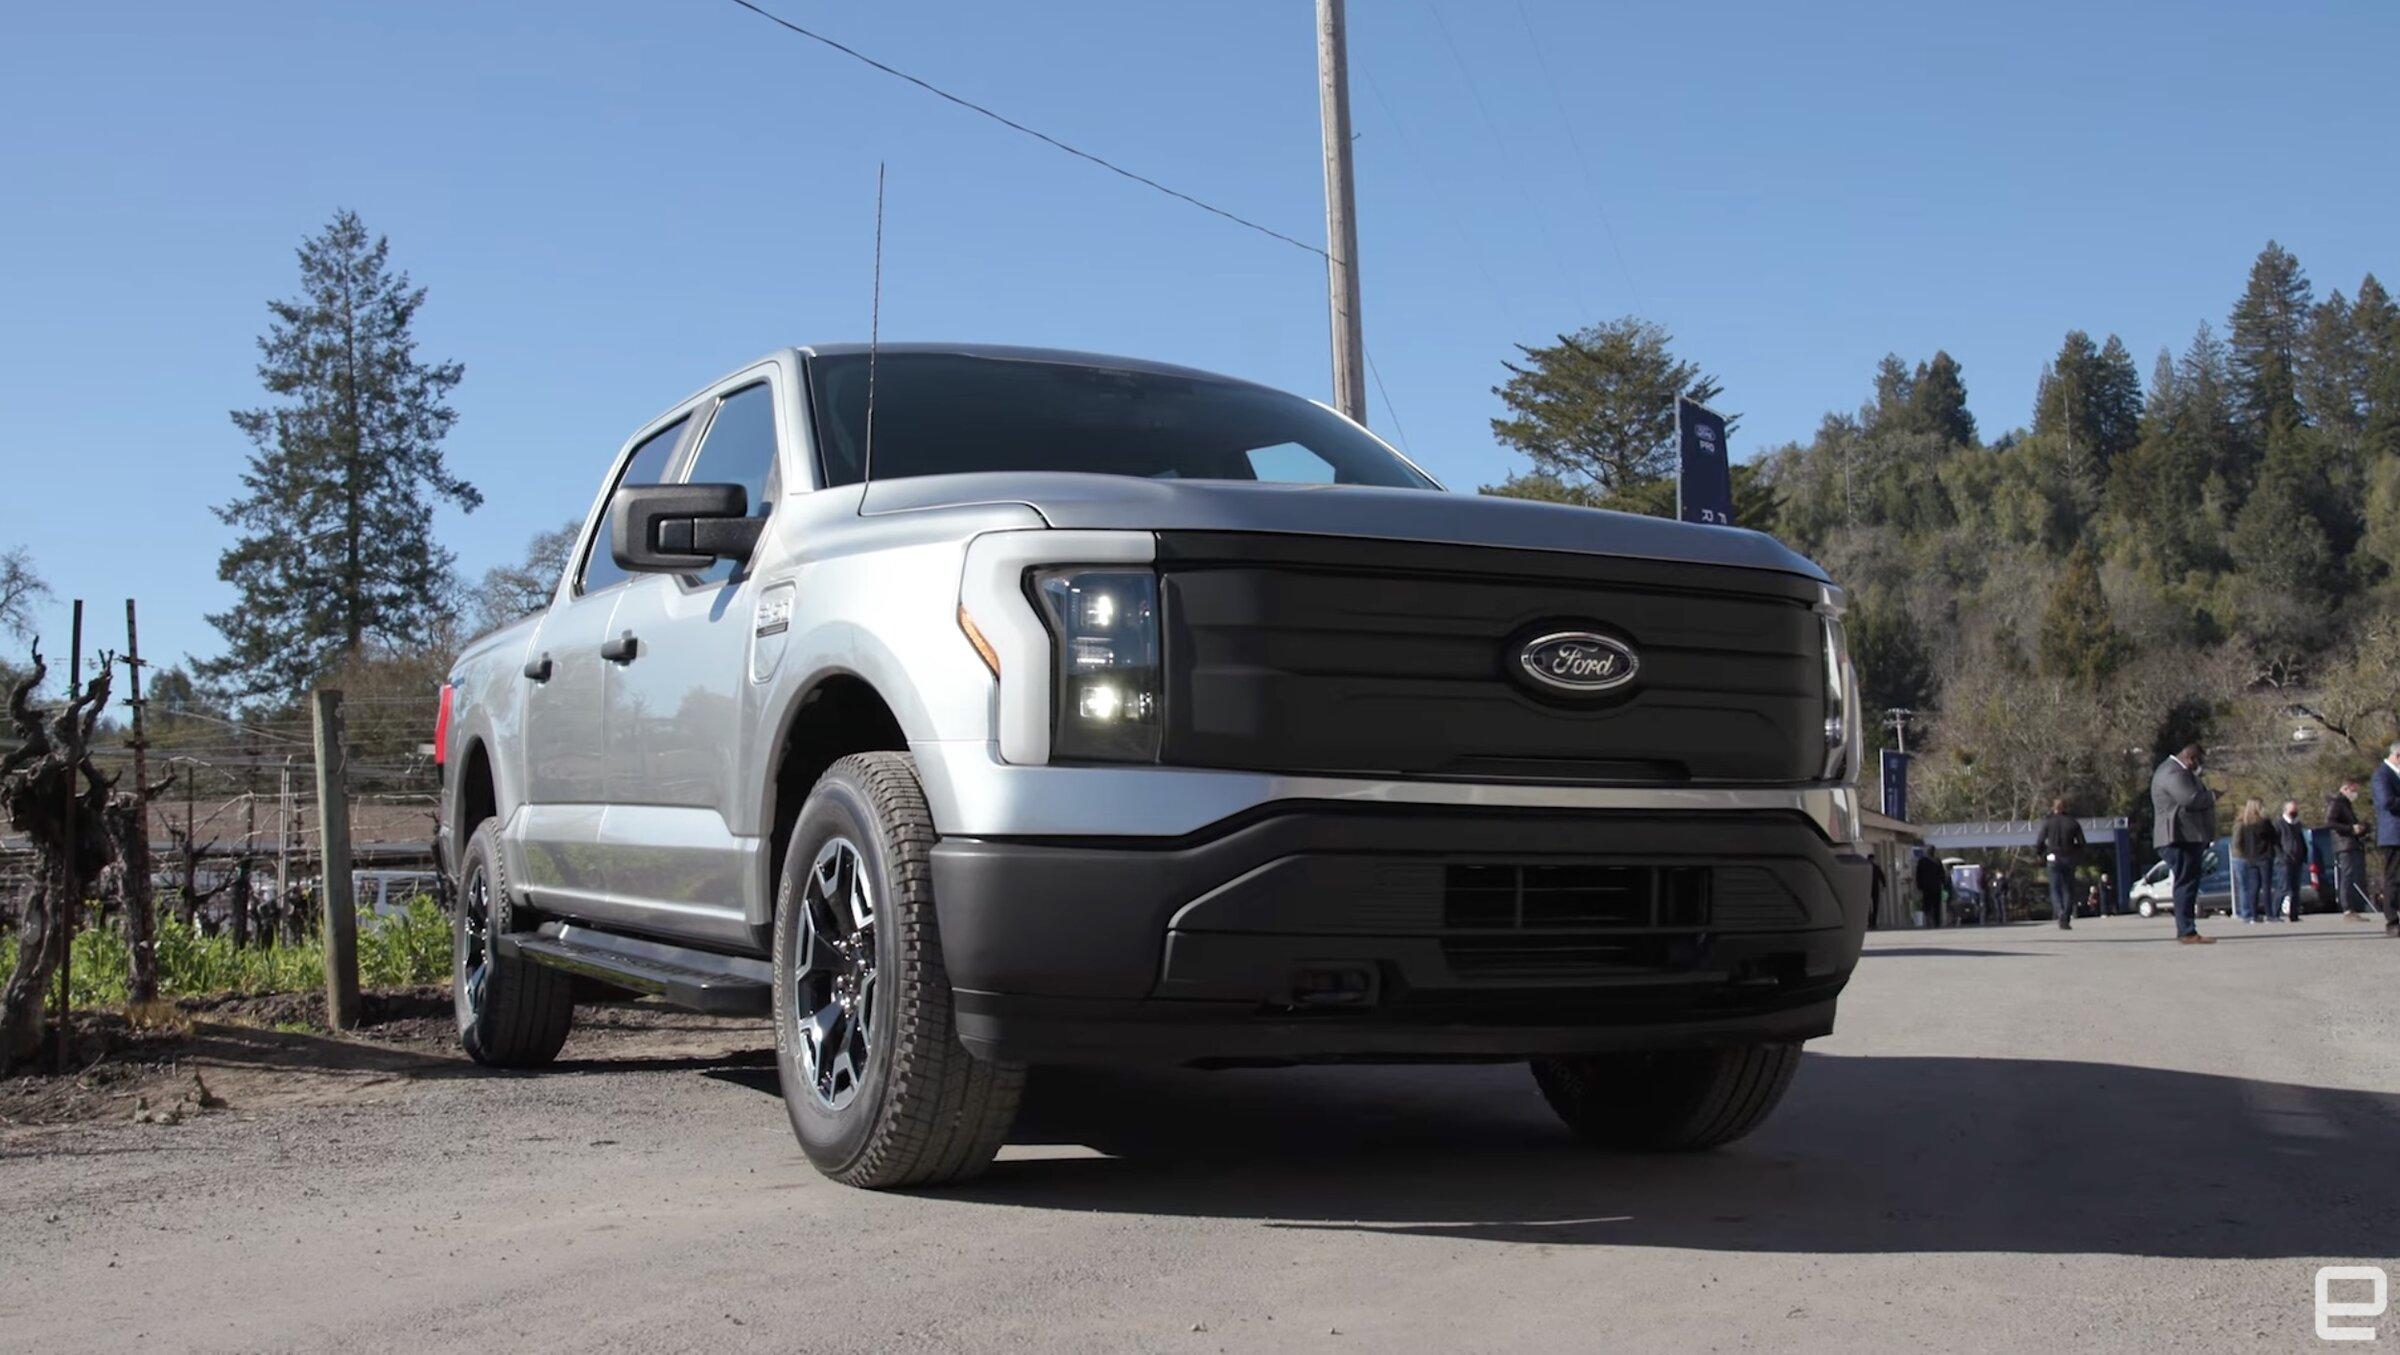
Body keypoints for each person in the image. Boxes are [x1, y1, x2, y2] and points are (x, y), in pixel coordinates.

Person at [2151, 743, 2218, 944]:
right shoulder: (2174, 772)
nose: (2198, 766)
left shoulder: (2170, 770)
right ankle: (2186, 931)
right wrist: (2213, 796)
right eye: (2198, 761)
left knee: (2186, 880)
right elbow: (2190, 799)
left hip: (2182, 836)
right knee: (2185, 882)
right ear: (2190, 758)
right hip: (2177, 837)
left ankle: (2186, 929)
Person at [2034, 797, 2087, 930]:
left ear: (2054, 808)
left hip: (2053, 857)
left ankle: (2060, 911)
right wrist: (2075, 853)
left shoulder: (2048, 823)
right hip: (2068, 858)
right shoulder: (2073, 822)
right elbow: (2081, 843)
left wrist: (2042, 855)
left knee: (2055, 889)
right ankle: (2066, 916)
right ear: (2065, 807)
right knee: (2068, 889)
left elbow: (2039, 842)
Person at [2326, 777, 2372, 920]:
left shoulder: (2345, 803)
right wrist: (2351, 829)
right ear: (2345, 788)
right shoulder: (2337, 802)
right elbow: (2330, 822)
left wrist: (2362, 828)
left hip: (2350, 843)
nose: (2355, 794)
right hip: (2344, 844)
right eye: (2354, 790)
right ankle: (2347, 908)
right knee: (2346, 875)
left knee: (2350, 875)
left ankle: (2351, 907)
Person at [2231, 799, 2274, 926]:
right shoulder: (2264, 823)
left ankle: (2253, 915)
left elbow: (2240, 842)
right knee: (2266, 886)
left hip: (2250, 858)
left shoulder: (2244, 824)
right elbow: (2273, 836)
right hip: (2264, 857)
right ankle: (2269, 914)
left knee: (2253, 887)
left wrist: (2245, 854)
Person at [2373, 743, 2400, 936]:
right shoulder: (2382, 775)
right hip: (2392, 835)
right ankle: (2392, 920)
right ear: (2397, 756)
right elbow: (2386, 802)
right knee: (2393, 878)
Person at [2274, 799, 2311, 923]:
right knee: (2283, 888)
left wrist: (2304, 854)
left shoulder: (2297, 824)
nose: (2294, 812)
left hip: (2298, 860)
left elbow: (2301, 841)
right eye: (2292, 810)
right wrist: (2282, 856)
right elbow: (2275, 843)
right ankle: (2274, 914)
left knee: (2295, 889)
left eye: (2296, 809)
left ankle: (2294, 915)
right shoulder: (2279, 824)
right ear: (2285, 810)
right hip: (2284, 861)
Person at [1914, 849, 1948, 929]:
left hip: (1926, 887)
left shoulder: (1922, 861)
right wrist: (1943, 883)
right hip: (1936, 886)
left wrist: (1919, 885)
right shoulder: (1937, 861)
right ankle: (1936, 922)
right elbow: (1942, 874)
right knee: (1936, 905)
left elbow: (1918, 874)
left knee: (1927, 904)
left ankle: (1929, 920)